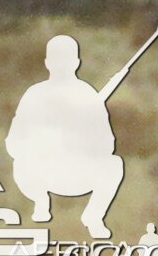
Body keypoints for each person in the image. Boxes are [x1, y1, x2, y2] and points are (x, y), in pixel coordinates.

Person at [7, 33, 129, 237]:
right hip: (42, 174)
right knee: (20, 164)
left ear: (76, 63)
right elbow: (13, 143)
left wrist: (80, 138)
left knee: (114, 164)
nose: (61, 64)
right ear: (47, 62)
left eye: (66, 58)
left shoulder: (88, 95)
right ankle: (40, 201)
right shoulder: (34, 94)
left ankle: (94, 217)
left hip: (78, 174)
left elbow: (107, 145)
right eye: (57, 58)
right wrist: (42, 144)